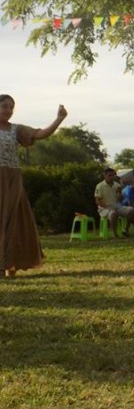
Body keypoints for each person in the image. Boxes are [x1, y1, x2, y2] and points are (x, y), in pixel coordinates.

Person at [0, 95, 67, 277]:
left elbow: (40, 134)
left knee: (14, 221)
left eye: (11, 107)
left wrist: (59, 118)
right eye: (4, 106)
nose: (8, 110)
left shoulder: (16, 130)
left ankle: (10, 265)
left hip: (12, 180)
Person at [95, 167, 134, 237]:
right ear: (105, 175)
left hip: (117, 206)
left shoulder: (117, 185)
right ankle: (115, 234)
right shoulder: (100, 186)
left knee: (131, 210)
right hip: (104, 208)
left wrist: (119, 193)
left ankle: (126, 230)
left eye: (113, 175)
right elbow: (97, 201)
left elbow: (120, 200)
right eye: (109, 175)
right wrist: (107, 207)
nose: (111, 177)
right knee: (113, 213)